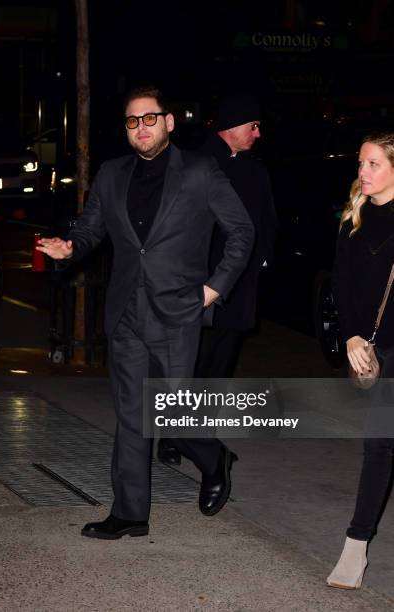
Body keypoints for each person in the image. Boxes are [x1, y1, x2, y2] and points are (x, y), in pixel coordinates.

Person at [37, 86, 254, 539]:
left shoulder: (199, 170)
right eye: (133, 121)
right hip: (127, 312)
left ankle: (214, 458)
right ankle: (130, 512)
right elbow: (91, 228)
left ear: (169, 122)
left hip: (178, 311)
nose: (142, 127)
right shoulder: (112, 174)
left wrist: (213, 289)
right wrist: (70, 246)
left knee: (172, 414)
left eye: (150, 118)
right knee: (134, 413)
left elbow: (241, 231)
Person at [158, 93, 277, 467]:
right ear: (233, 126)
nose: (258, 134)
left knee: (219, 367)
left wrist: (259, 265)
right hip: (201, 285)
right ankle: (172, 437)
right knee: (189, 364)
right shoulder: (195, 164)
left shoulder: (256, 171)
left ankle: (201, 437)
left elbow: (267, 223)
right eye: (253, 126)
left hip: (239, 288)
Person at [327, 131, 394, 588]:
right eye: (361, 163)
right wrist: (353, 334)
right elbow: (341, 283)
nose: (363, 173)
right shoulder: (355, 217)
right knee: (378, 445)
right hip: (377, 347)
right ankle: (356, 546)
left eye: (373, 164)